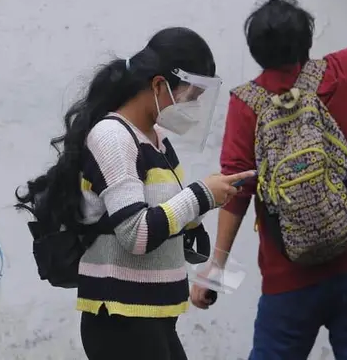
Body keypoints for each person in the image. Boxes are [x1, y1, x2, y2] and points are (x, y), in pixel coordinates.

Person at [191, 0, 347, 360]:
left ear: (255, 50)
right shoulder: (340, 74)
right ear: (308, 40)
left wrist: (214, 268)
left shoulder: (246, 102)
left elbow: (237, 188)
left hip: (288, 275)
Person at [16, 27, 255, 360]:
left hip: (154, 316)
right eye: (190, 96)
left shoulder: (156, 138)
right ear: (158, 85)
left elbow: (169, 214)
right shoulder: (113, 137)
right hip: (122, 319)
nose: (193, 108)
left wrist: (212, 202)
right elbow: (136, 233)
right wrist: (200, 195)